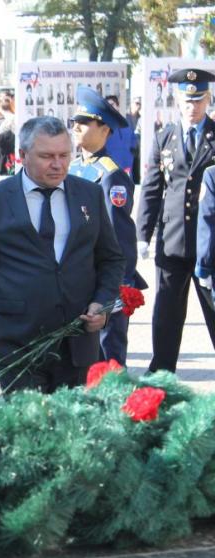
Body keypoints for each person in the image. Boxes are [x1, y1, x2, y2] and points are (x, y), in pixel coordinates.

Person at [0, 117, 125, 393]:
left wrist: (103, 304)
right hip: (18, 343)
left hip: (77, 341)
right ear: (22, 155)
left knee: (72, 431)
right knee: (28, 431)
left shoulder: (90, 194)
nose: (58, 164)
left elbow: (111, 259)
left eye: (64, 155)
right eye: (47, 156)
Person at [138, 69, 215, 373]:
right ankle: (161, 374)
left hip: (209, 243)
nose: (192, 107)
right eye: (187, 100)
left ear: (208, 100)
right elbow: (152, 187)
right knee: (167, 315)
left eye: (198, 100)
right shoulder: (165, 137)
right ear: (177, 100)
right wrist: (142, 234)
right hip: (171, 242)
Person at [69, 87, 148, 365]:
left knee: (107, 361)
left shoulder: (110, 176)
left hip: (103, 284)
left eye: (84, 122)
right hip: (77, 280)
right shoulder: (72, 169)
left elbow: (119, 237)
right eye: (74, 121)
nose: (75, 127)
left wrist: (117, 286)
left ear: (104, 129)